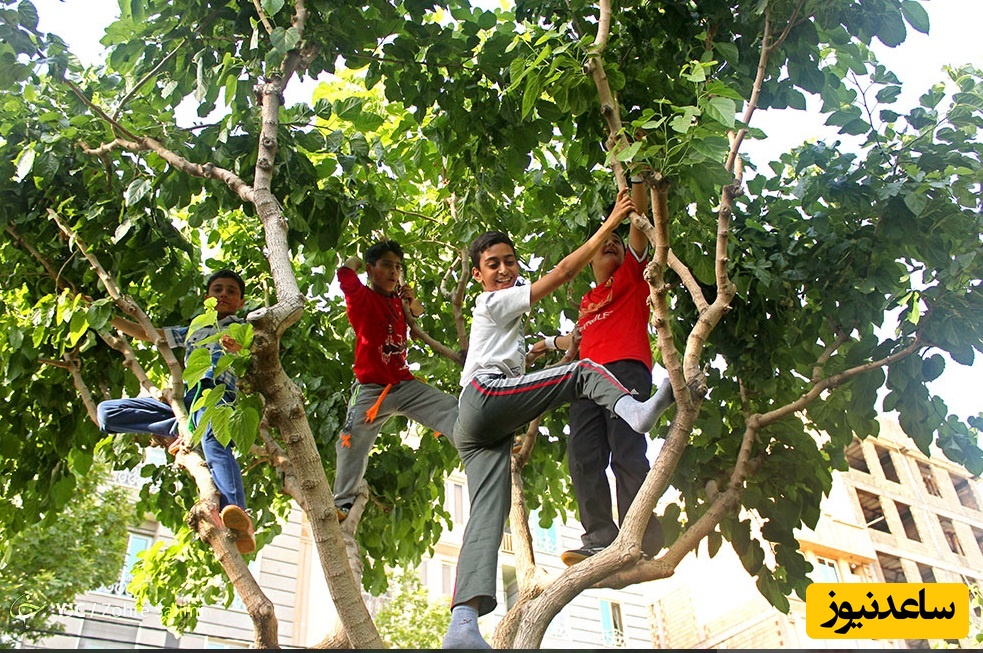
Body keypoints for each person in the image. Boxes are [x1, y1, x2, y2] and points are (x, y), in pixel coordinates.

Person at [441, 188, 675, 650]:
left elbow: (562, 340)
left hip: (481, 428)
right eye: (494, 264)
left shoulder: (604, 291)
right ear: (478, 273)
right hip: (485, 397)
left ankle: (462, 626)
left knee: (488, 515)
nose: (505, 269)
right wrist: (609, 220)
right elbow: (564, 271)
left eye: (511, 261)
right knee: (584, 374)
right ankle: (638, 411)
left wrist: (545, 345)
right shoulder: (494, 302)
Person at [528, 177, 671, 566]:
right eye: (603, 246)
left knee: (626, 450)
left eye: (617, 244)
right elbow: (572, 340)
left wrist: (635, 175)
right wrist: (541, 346)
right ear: (590, 262)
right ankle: (599, 535)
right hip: (587, 383)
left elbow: (639, 218)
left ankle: (636, 531)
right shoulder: (587, 302)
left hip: (625, 372)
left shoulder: (631, 279)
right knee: (583, 455)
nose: (611, 245)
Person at [96, 269, 255, 555]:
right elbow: (150, 334)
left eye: (231, 291)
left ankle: (239, 515)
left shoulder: (242, 327)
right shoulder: (195, 327)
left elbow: (252, 357)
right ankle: (182, 428)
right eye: (217, 289)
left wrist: (239, 347)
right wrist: (105, 316)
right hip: (185, 403)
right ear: (207, 296)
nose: (223, 294)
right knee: (107, 413)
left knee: (214, 442)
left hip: (216, 394)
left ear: (240, 302)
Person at [333, 240, 459, 522]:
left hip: (403, 384)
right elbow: (345, 272)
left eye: (398, 267)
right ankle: (342, 504)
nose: (393, 272)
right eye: (387, 265)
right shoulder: (361, 296)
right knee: (350, 439)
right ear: (370, 269)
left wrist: (410, 299)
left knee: (451, 407)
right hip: (371, 389)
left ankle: (479, 444)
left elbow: (418, 312)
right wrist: (355, 259)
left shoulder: (397, 301)